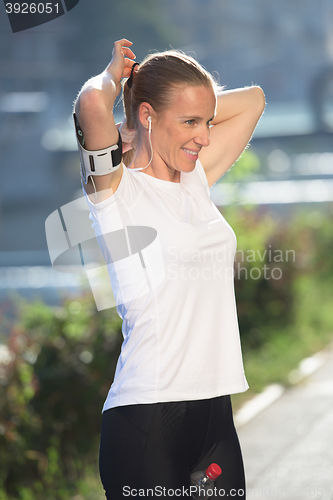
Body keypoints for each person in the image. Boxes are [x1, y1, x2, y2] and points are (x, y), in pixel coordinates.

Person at [73, 38, 265, 499]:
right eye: (190, 122)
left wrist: (176, 116)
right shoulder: (115, 192)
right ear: (145, 115)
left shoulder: (195, 179)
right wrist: (115, 80)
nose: (203, 135)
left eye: (205, 120)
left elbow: (255, 101)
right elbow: (90, 105)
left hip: (214, 419)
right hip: (147, 421)